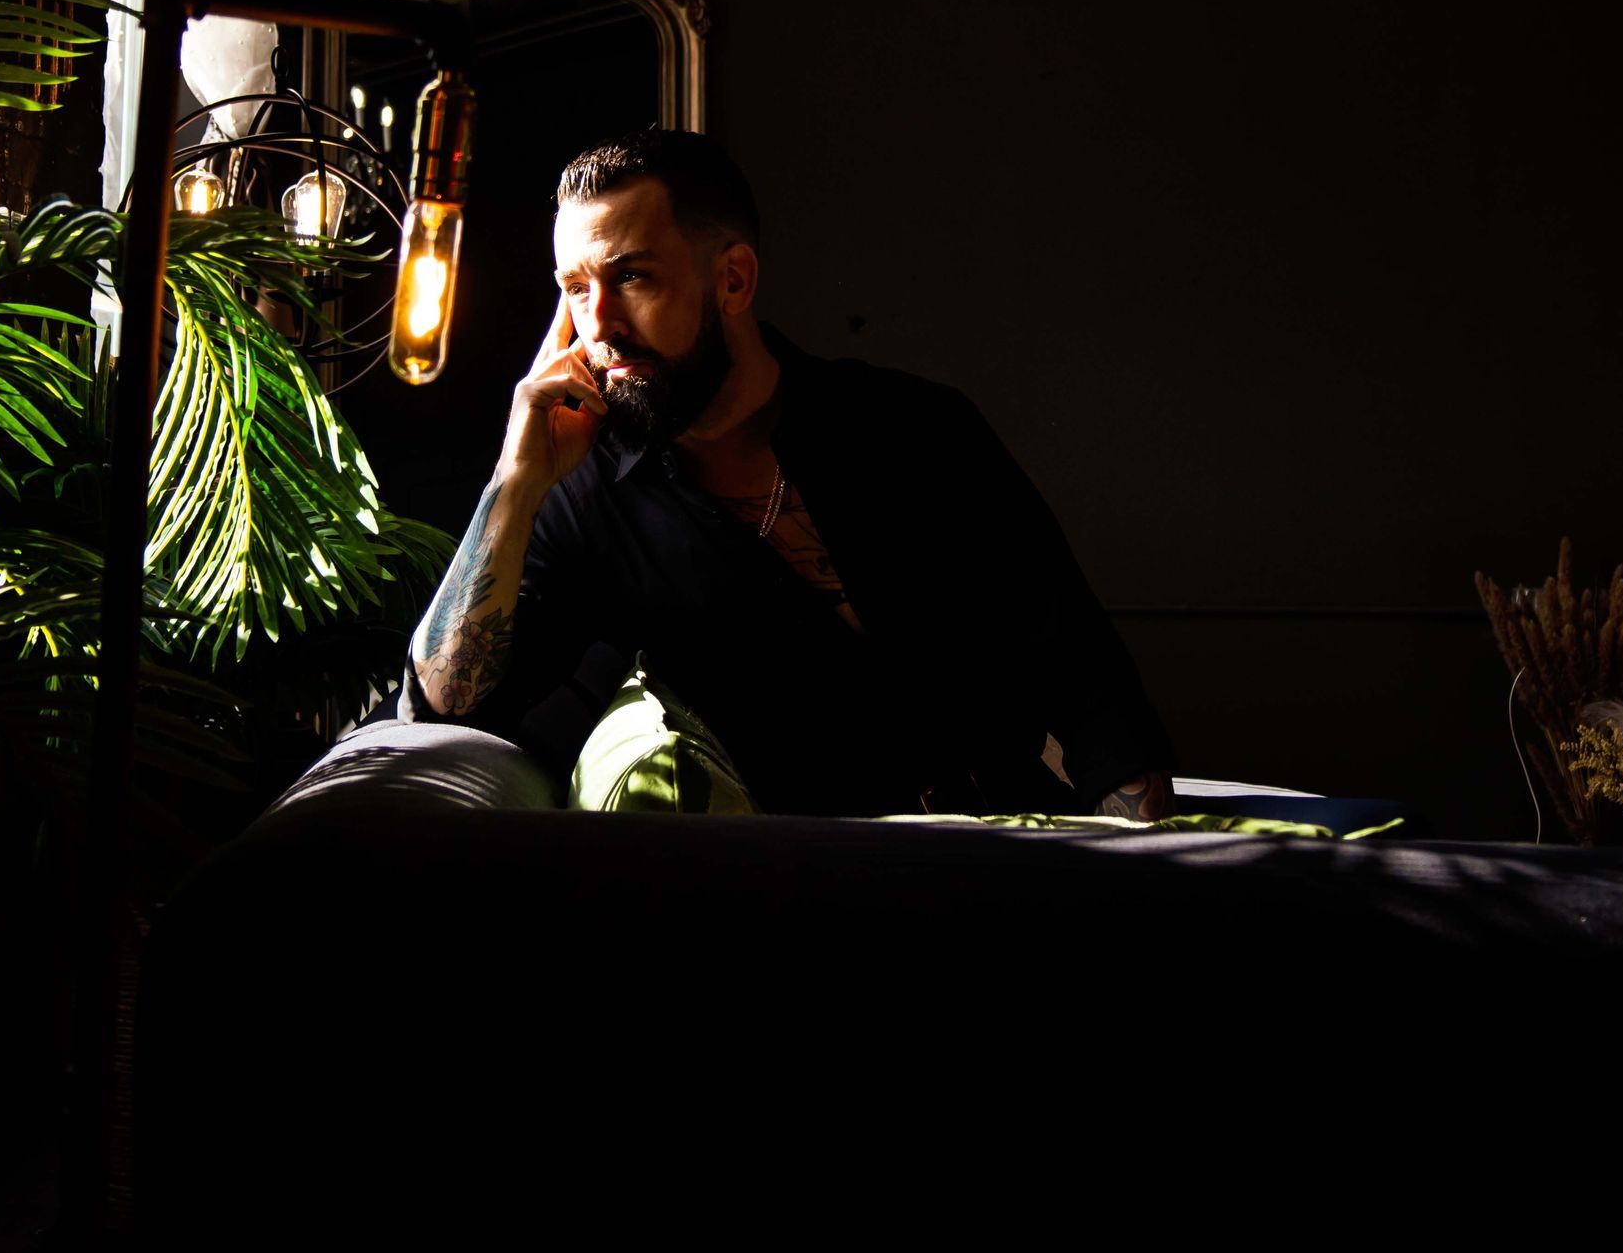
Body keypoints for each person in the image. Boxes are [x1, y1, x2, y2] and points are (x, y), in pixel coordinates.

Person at [401, 129, 1173, 819]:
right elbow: (451, 703)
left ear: (734, 280)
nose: (597, 325)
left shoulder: (916, 427)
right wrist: (514, 480)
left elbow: (1083, 672)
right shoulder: (589, 499)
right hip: (806, 892)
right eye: (575, 289)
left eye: (632, 278)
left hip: (1011, 848)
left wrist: (1137, 861)